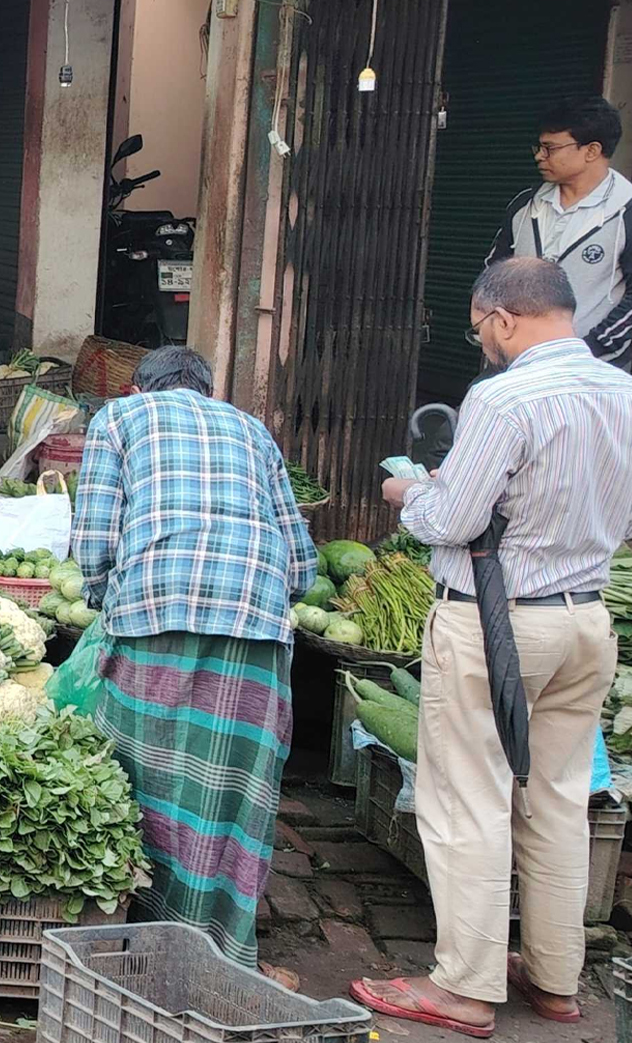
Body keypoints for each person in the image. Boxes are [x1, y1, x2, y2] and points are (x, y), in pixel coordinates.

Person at [352, 258, 632, 1038]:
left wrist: (411, 493)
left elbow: (454, 521)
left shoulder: (505, 397)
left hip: (496, 623)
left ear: (503, 318)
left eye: (481, 330)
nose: (484, 344)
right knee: (557, 800)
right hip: (584, 620)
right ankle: (554, 978)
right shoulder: (625, 392)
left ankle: (467, 988)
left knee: (468, 800)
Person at [69, 345, 318, 976]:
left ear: (138, 389)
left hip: (156, 611)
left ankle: (142, 942)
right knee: (235, 787)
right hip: (257, 627)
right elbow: (302, 560)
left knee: (141, 777)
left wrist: (105, 600)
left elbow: (94, 539)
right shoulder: (253, 429)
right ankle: (222, 952)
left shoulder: (119, 420)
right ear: (207, 390)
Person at [486, 96, 632, 372]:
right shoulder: (525, 205)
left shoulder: (626, 210)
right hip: (517, 362)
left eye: (550, 148)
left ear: (591, 151)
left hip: (592, 369)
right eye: (539, 146)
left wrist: (591, 349)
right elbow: (494, 272)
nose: (539, 155)